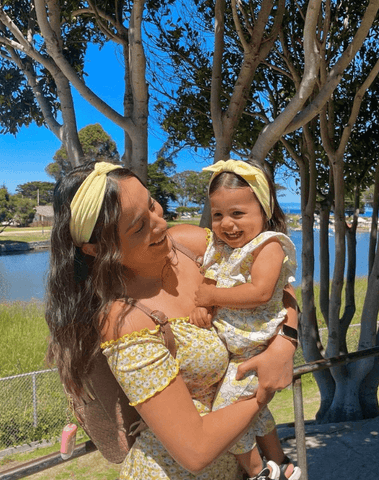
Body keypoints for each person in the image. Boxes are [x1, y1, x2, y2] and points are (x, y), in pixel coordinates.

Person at [45, 161, 299, 480]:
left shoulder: (189, 245)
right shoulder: (123, 319)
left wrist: (285, 343)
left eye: (153, 204)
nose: (160, 224)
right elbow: (195, 450)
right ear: (96, 248)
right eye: (139, 226)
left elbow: (276, 283)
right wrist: (264, 388)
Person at [189, 159, 300, 480]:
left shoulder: (269, 246)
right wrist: (204, 302)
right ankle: (283, 462)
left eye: (238, 214)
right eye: (218, 215)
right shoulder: (221, 249)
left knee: (225, 413)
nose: (228, 224)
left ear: (264, 212)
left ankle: (259, 471)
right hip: (237, 354)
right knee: (255, 413)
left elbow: (262, 291)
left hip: (257, 353)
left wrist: (212, 298)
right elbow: (211, 276)